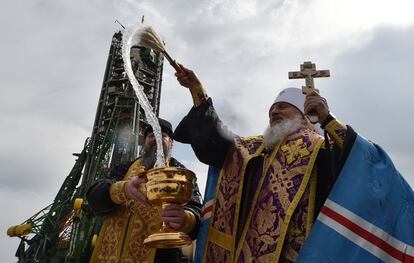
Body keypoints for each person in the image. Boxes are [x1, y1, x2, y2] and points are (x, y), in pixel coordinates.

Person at [173, 64, 357, 263]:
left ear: (305, 117)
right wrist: (197, 90)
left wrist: (328, 119)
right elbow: (214, 138)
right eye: (272, 109)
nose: (275, 112)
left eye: (284, 107)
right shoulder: (251, 148)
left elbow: (359, 164)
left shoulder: (321, 149)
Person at [87, 118, 203, 263]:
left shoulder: (182, 173)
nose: (156, 139)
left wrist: (186, 219)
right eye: (151, 135)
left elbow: (198, 212)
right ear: (145, 142)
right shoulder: (124, 169)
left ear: (171, 143)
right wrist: (125, 190)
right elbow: (94, 198)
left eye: (162, 136)